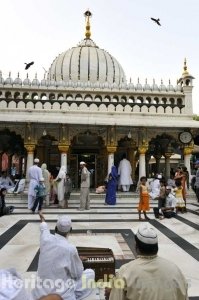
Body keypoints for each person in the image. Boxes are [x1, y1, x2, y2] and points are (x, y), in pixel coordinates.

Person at [107, 223, 189, 300]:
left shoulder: (126, 271)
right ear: (156, 247)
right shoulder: (174, 269)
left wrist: (111, 293)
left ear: (137, 247)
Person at [31, 213, 95, 300]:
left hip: (39, 294)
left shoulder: (45, 238)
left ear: (55, 228)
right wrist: (77, 261)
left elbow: (44, 227)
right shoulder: (70, 249)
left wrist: (42, 219)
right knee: (90, 273)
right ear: (70, 230)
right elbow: (77, 274)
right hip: (61, 295)